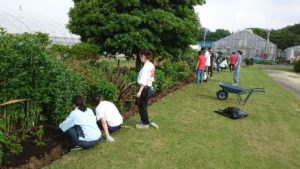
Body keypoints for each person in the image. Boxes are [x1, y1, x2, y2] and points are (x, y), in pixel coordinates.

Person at [136, 49, 155, 129]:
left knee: (142, 106)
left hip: (144, 88)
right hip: (148, 87)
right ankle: (143, 120)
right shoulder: (151, 65)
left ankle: (145, 124)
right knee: (143, 105)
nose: (140, 58)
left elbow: (143, 80)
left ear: (143, 56)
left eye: (140, 56)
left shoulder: (146, 67)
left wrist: (139, 91)